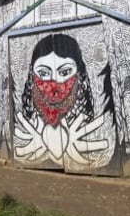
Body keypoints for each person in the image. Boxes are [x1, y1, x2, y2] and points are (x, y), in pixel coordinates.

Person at [15, 34, 110, 167]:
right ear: (32, 77)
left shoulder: (95, 126)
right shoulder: (29, 124)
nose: (54, 84)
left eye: (65, 72)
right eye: (43, 73)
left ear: (80, 76)